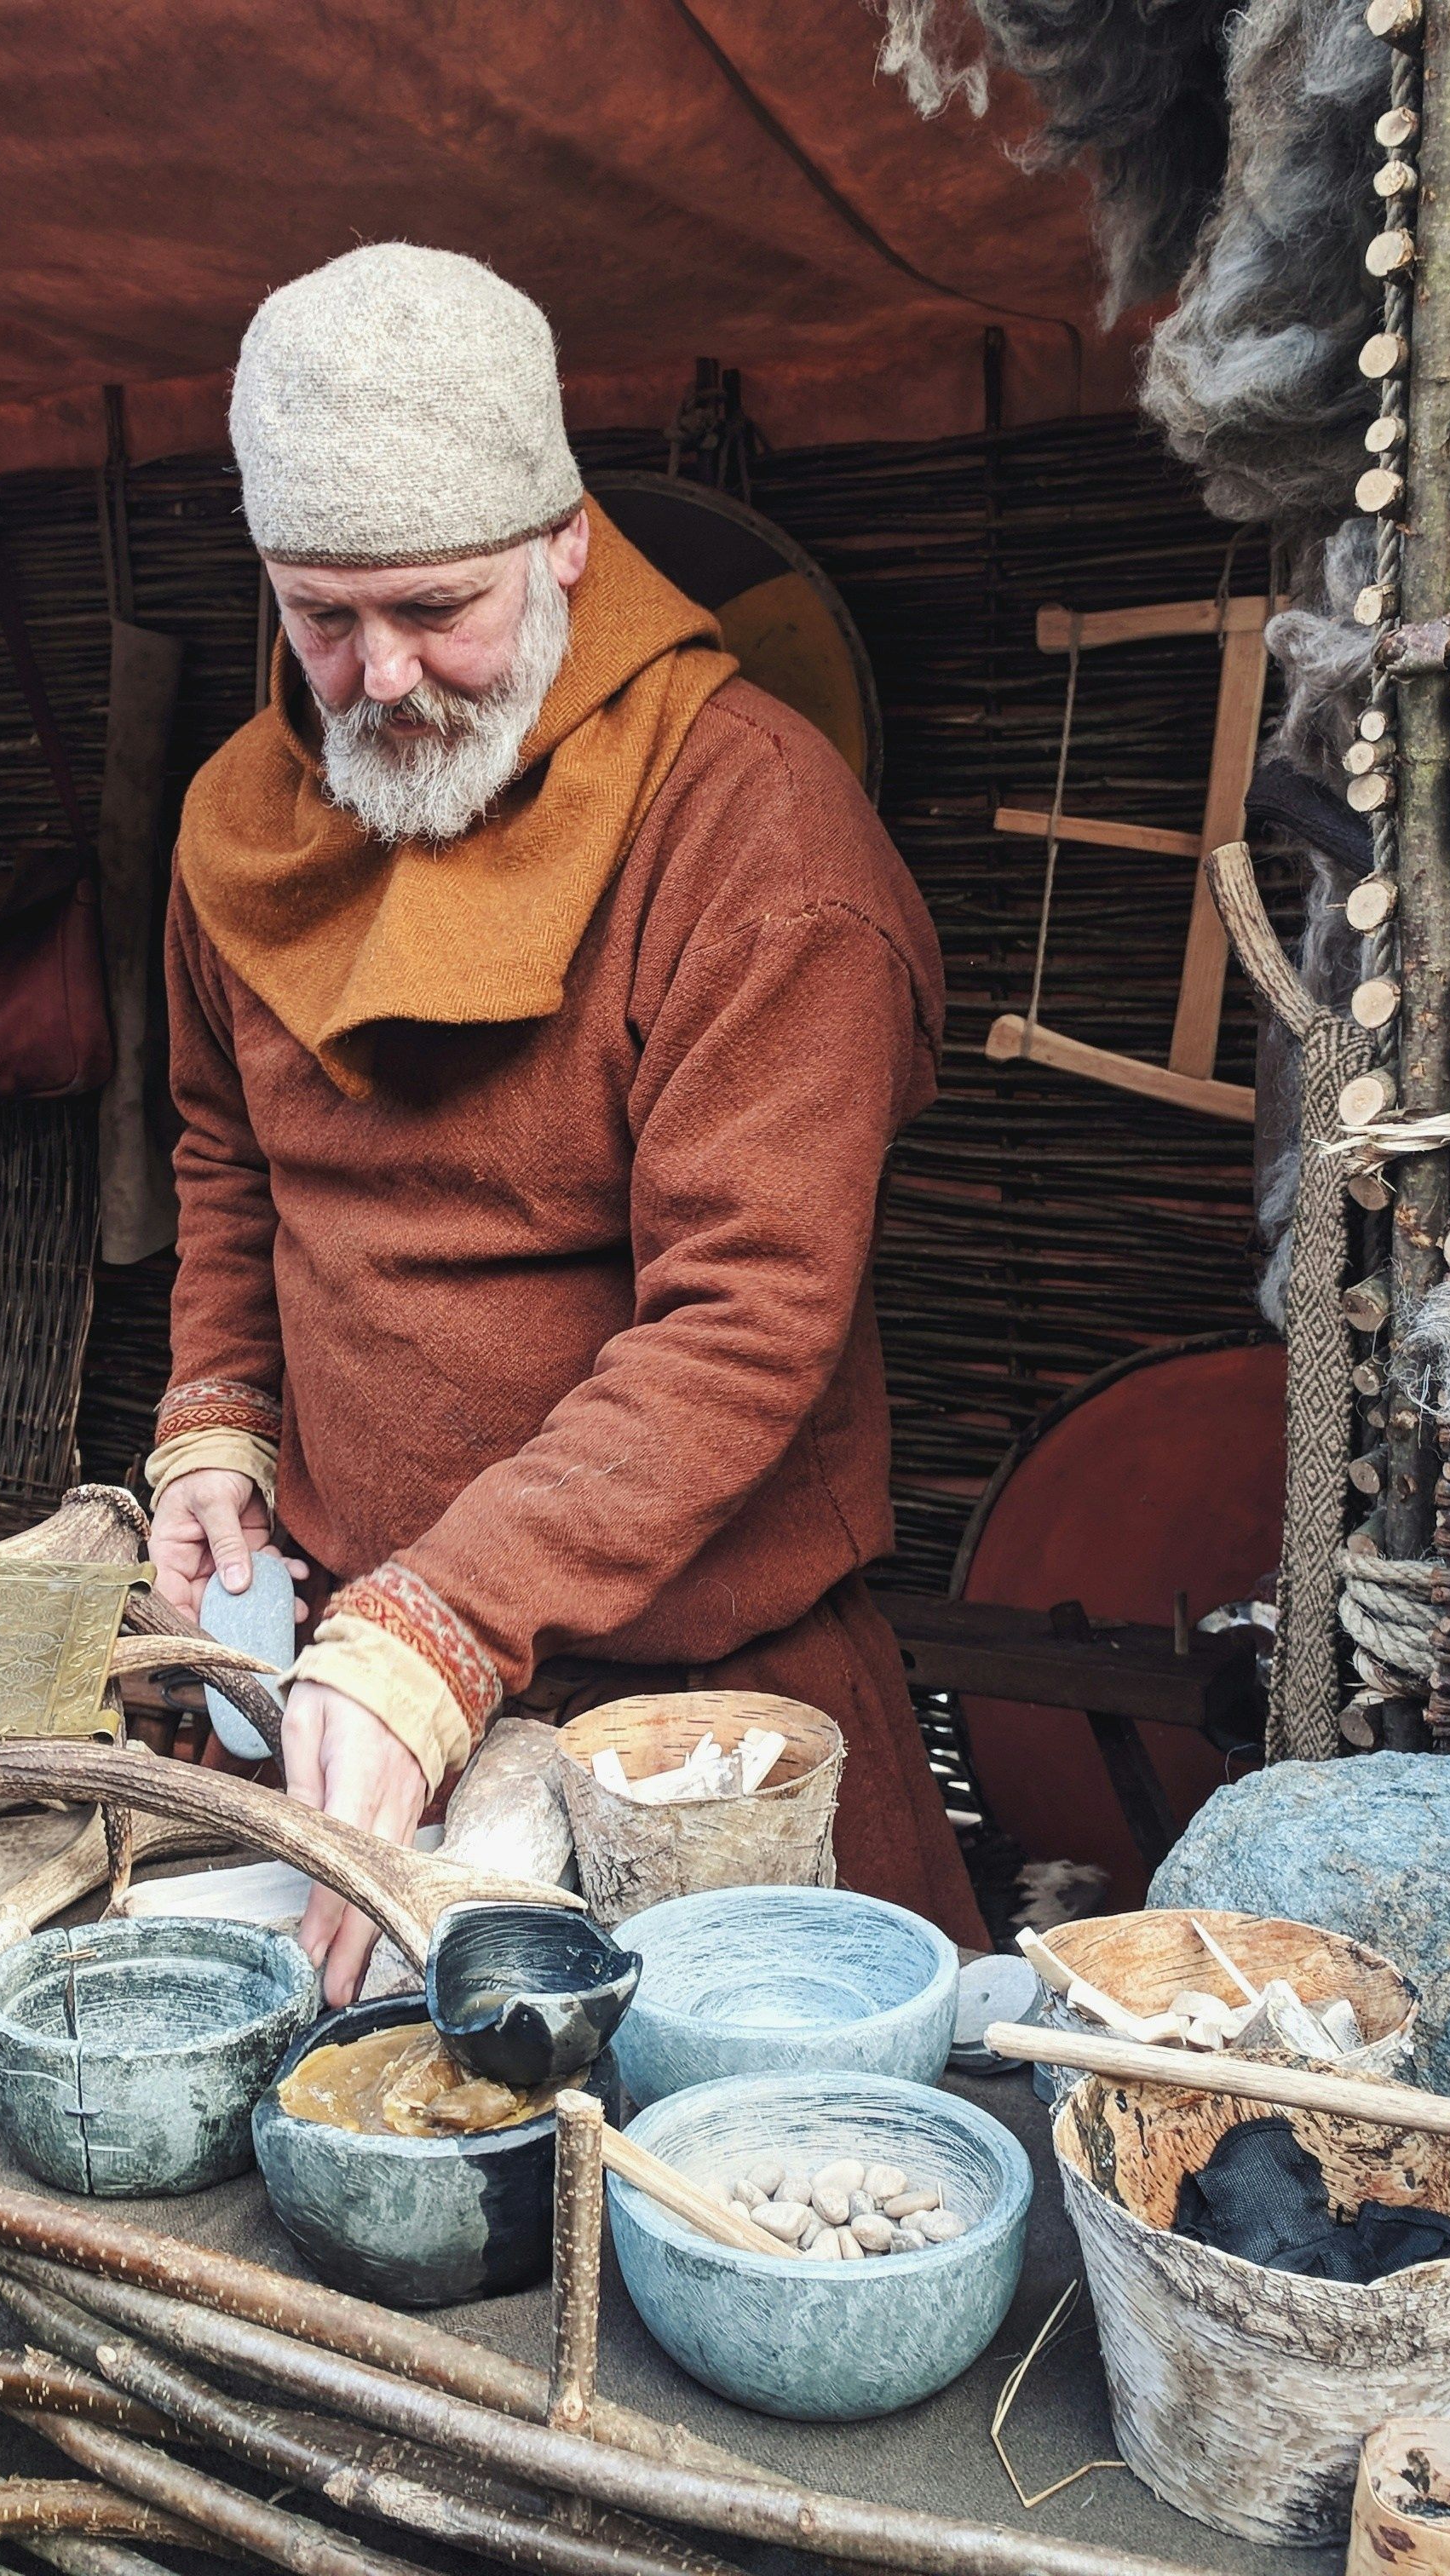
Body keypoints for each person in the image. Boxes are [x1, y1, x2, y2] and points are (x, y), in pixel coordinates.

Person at [145, 243, 987, 2001]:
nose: (376, 679)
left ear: (567, 547)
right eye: (322, 616)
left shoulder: (754, 843)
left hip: (701, 1720)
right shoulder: (243, 818)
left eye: (436, 609)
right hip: (357, 1684)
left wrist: (444, 1618)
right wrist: (215, 1429)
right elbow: (230, 1153)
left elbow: (747, 1320)